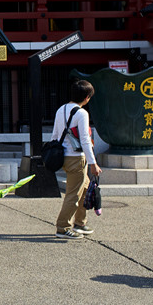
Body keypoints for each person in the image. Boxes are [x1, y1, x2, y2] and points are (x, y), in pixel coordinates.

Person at [53, 79, 101, 240]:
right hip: (76, 159)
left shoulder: (61, 110)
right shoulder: (82, 113)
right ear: (87, 97)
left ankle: (80, 222)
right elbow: (85, 140)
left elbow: (55, 135)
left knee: (85, 189)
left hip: (64, 157)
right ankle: (62, 227)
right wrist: (93, 163)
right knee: (73, 195)